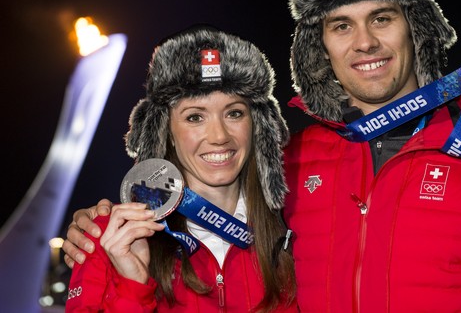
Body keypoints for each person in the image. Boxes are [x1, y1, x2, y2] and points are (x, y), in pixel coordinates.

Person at [63, 0, 461, 312]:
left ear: (415, 28)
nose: (365, 43)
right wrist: (102, 221)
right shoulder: (289, 161)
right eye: (341, 26)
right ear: (321, 49)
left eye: (382, 18)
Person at [64, 25, 297, 312]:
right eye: (195, 117)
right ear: (167, 130)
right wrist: (132, 287)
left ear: (256, 124)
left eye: (234, 113)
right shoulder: (108, 236)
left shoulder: (290, 227)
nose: (219, 136)